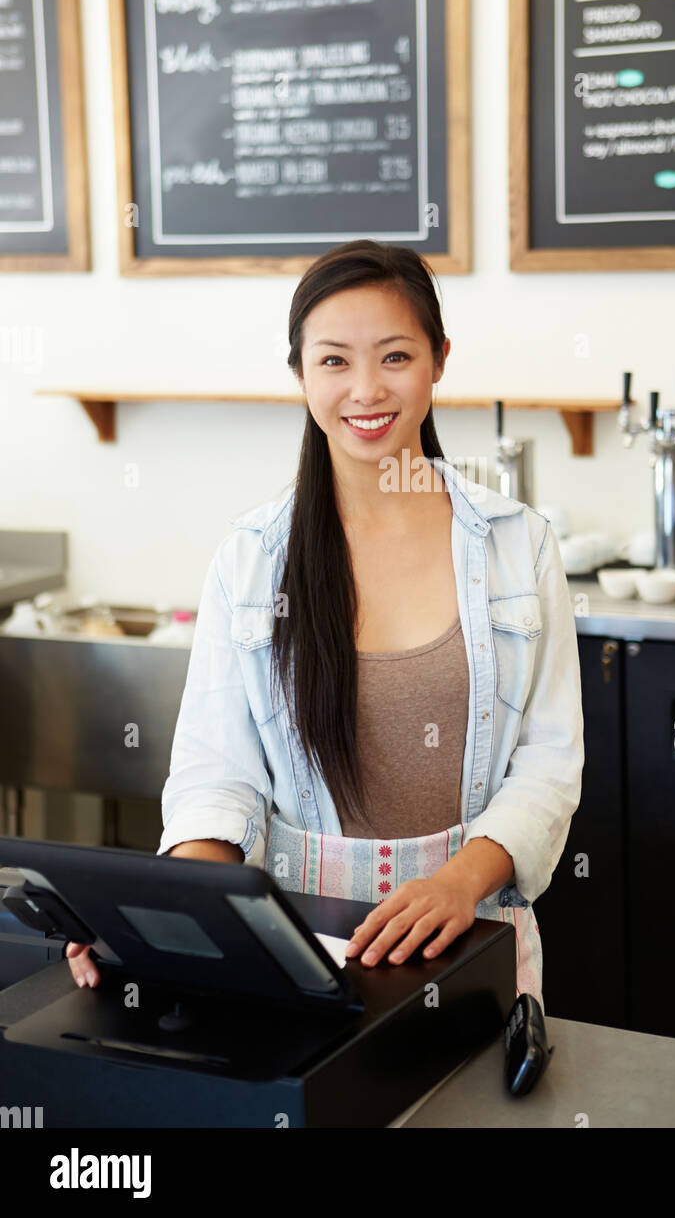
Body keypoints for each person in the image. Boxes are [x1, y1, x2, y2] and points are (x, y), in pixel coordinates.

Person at [67, 240, 584, 1007]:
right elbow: (218, 778)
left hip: (473, 931)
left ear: (439, 360)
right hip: (300, 948)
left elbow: (548, 764)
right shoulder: (251, 559)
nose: (366, 389)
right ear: (301, 374)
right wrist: (165, 917)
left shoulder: (518, 545)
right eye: (335, 361)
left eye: (395, 357)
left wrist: (456, 883)